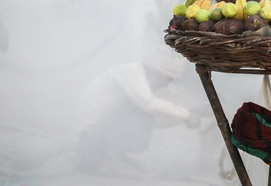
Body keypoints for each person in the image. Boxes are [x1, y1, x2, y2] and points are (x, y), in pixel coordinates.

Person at [74, 44, 202, 176]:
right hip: (87, 139)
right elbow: (150, 105)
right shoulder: (132, 72)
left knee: (142, 112)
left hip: (93, 138)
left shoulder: (136, 77)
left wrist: (183, 117)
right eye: (167, 79)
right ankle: (109, 160)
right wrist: (186, 115)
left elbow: (156, 119)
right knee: (137, 111)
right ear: (157, 71)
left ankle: (116, 156)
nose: (166, 85)